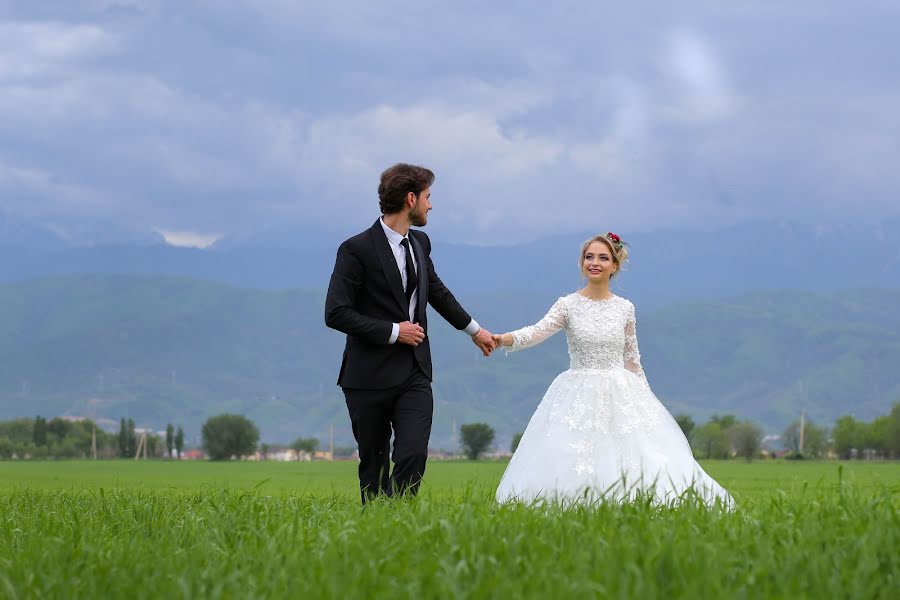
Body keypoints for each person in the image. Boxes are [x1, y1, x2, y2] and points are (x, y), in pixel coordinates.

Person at [492, 232, 733, 507]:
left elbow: (632, 359)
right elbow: (537, 332)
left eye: (603, 258)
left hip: (620, 391)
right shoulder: (567, 305)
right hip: (577, 390)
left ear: (614, 266)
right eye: (589, 257)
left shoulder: (624, 308)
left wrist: (645, 401)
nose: (594, 262)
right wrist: (502, 339)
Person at [325, 163, 496, 504]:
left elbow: (436, 291)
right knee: (373, 465)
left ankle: (399, 520)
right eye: (428, 197)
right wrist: (393, 331)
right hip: (367, 376)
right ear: (410, 198)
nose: (431, 205)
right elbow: (336, 313)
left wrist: (474, 331)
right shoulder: (355, 249)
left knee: (413, 455)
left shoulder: (421, 242)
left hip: (414, 372)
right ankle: (376, 528)